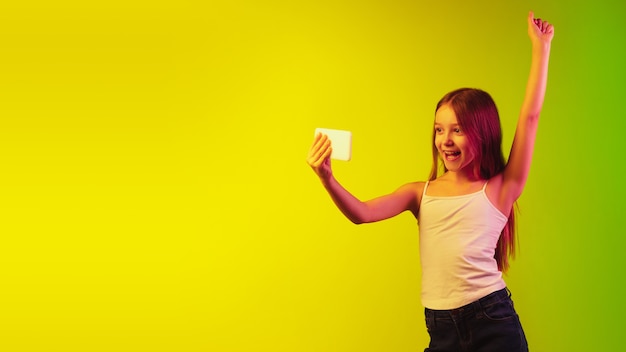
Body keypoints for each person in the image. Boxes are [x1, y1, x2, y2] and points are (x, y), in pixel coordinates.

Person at [306, 11, 554, 352]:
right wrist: (328, 178)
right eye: (439, 129)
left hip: (492, 321)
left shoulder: (499, 189)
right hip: (441, 329)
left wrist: (541, 50)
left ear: (481, 133)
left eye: (458, 129)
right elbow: (362, 213)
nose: (445, 140)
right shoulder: (418, 193)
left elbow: (529, 118)